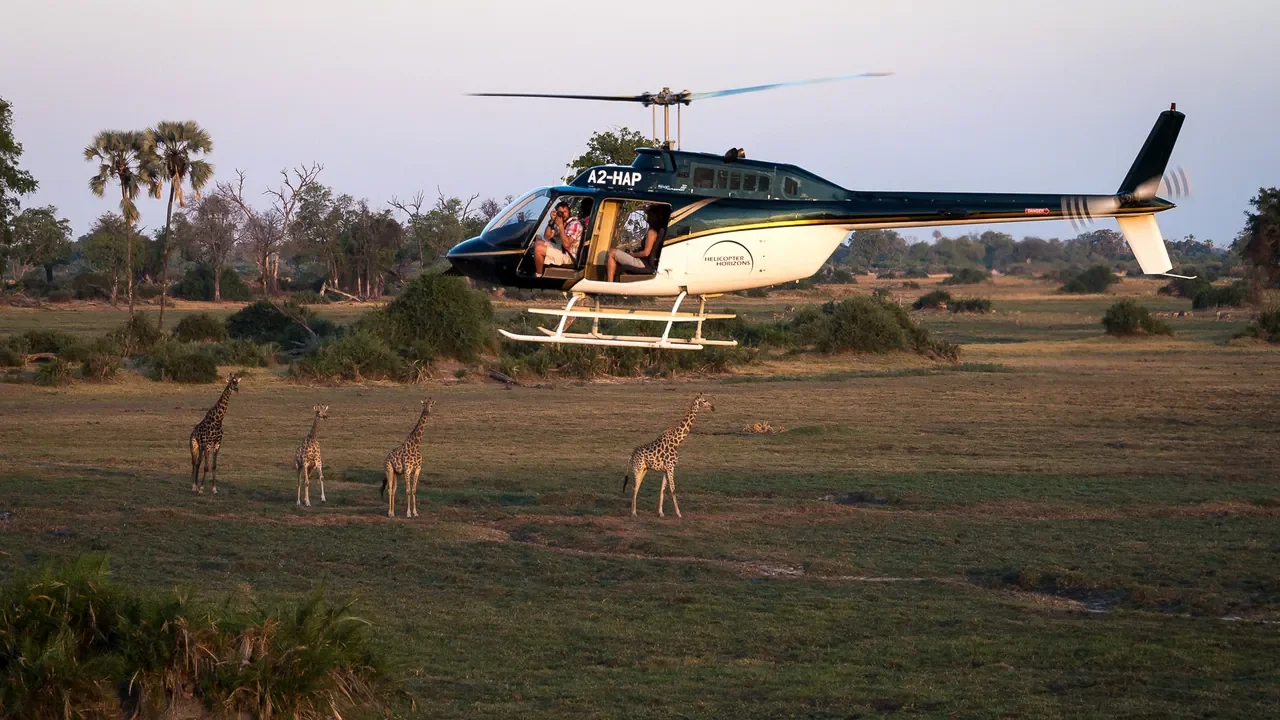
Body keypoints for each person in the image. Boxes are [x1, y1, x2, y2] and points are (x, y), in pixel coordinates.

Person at [606, 205, 669, 282]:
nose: (647, 217)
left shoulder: (651, 232)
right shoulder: (659, 231)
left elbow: (646, 253)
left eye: (649, 214)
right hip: (645, 262)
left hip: (642, 263)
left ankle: (609, 283)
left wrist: (632, 255)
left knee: (612, 252)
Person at [533, 198, 592, 276]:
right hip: (563, 250)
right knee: (538, 242)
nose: (563, 215)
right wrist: (551, 221)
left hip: (570, 257)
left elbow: (567, 245)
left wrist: (560, 226)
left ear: (569, 212)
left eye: (565, 212)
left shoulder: (574, 224)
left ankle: (538, 275)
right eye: (561, 212)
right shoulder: (563, 223)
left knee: (538, 249)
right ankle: (540, 269)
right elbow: (547, 236)